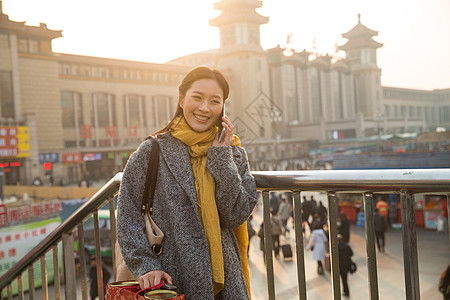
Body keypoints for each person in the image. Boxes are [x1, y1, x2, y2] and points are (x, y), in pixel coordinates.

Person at [117, 66, 258, 300]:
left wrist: (221, 158)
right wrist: (145, 265)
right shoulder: (152, 151)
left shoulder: (232, 152)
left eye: (215, 101)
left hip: (227, 281)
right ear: (181, 99)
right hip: (170, 279)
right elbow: (127, 214)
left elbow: (235, 215)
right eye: (197, 97)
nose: (204, 108)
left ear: (222, 107)